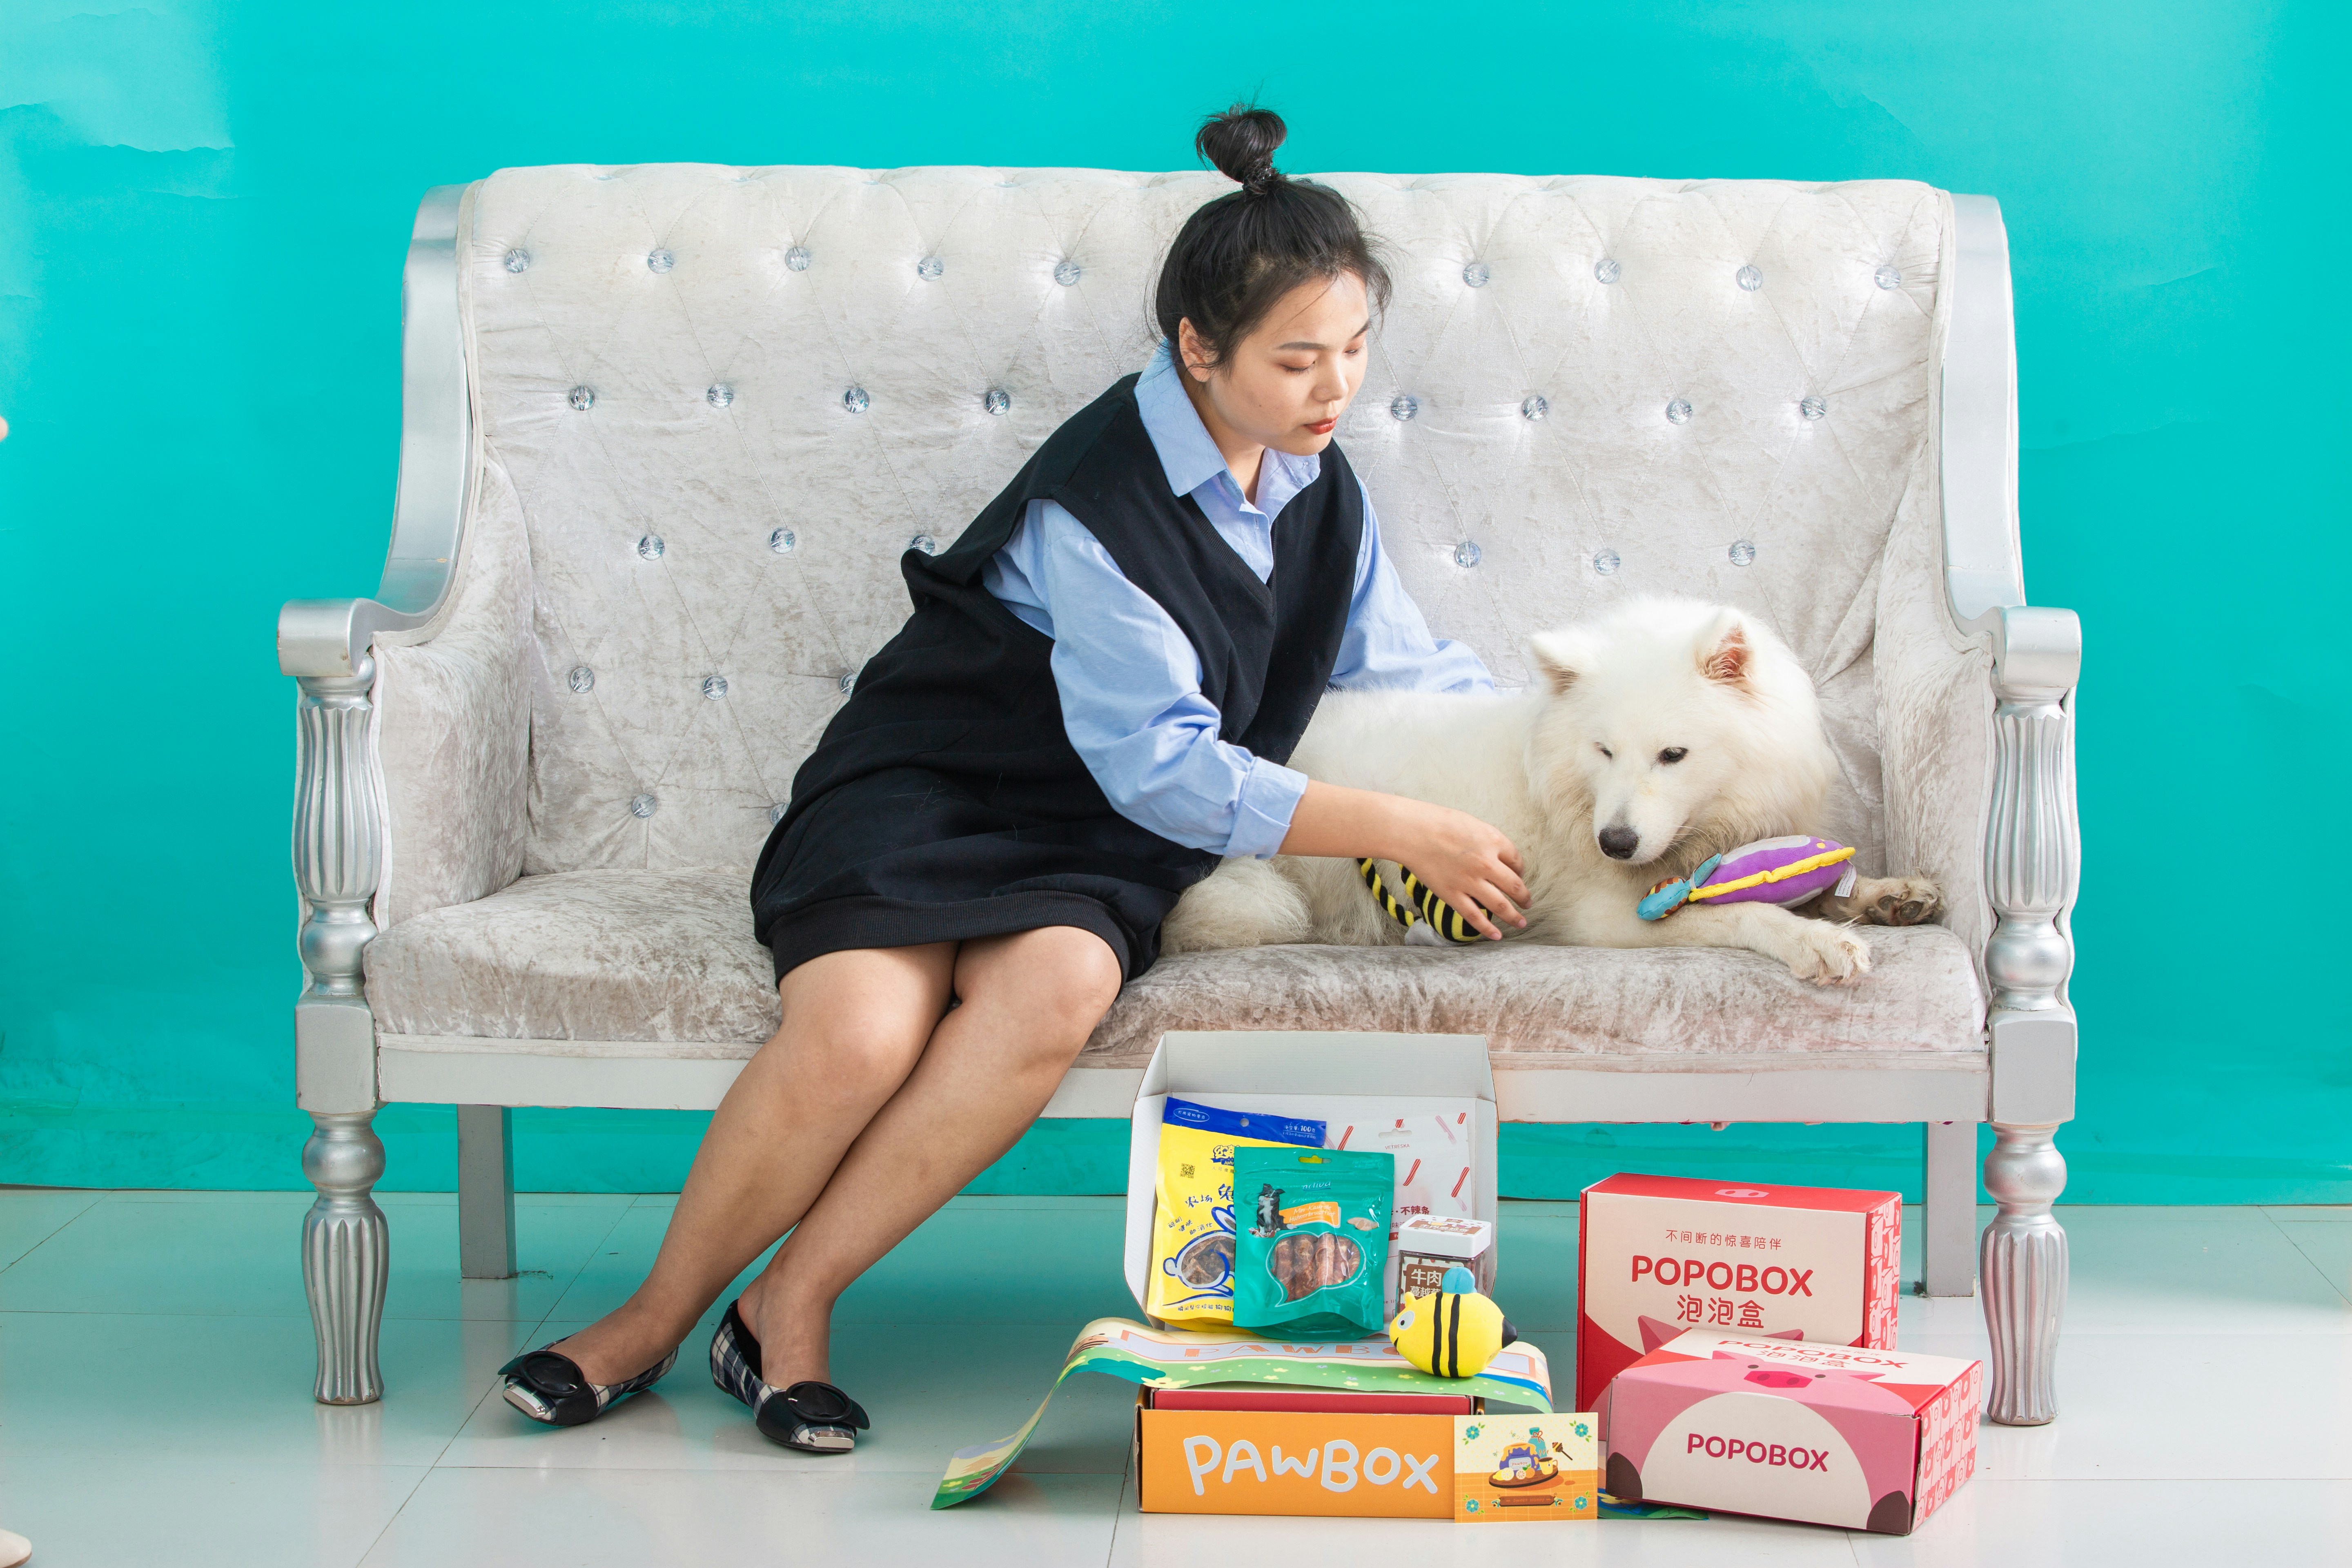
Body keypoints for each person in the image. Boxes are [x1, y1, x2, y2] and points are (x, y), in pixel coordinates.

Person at [497, 103, 1529, 1453]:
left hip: (1085, 836)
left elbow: (1405, 667)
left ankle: (785, 1311)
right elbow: (1156, 765)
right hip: (931, 784)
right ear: (1197, 349)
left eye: (1354, 352)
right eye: (1298, 361)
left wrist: (1547, 771)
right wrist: (1400, 826)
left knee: (1065, 981)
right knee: (864, 1031)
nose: (1337, 391)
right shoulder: (1096, 504)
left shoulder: (1318, 483)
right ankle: (646, 1319)